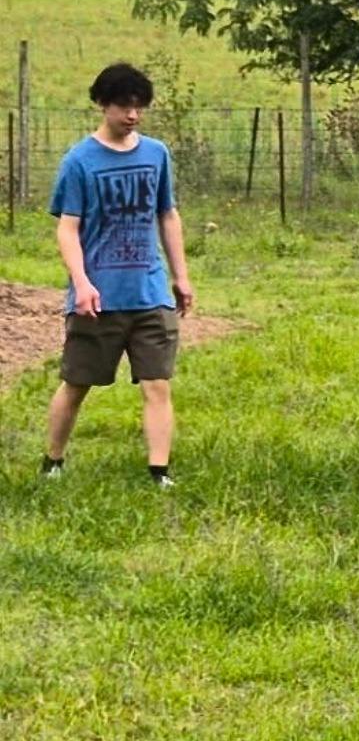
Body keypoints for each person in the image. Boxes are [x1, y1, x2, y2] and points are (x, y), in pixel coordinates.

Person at [43, 63, 194, 487]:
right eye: (124, 106)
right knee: (76, 383)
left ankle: (159, 472)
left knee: (157, 384)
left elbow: (167, 214)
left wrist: (180, 276)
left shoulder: (156, 154)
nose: (132, 115)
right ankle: (53, 460)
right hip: (99, 298)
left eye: (139, 107)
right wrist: (82, 283)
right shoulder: (79, 161)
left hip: (150, 291)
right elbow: (67, 227)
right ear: (102, 104)